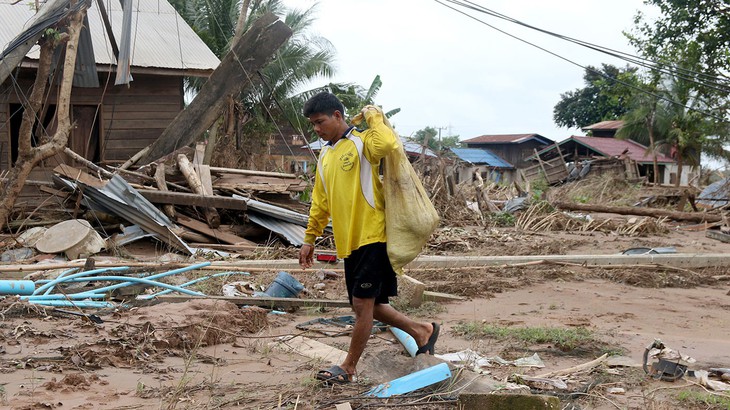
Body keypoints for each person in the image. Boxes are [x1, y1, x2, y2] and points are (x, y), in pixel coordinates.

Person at [298, 92, 439, 385]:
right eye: (312, 125)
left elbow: (388, 142)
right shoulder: (325, 154)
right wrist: (309, 237)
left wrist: (373, 114)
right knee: (368, 305)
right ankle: (422, 330)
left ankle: (348, 367)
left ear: (338, 115)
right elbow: (320, 201)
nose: (317, 129)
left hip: (373, 236)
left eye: (320, 122)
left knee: (362, 304)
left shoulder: (362, 143)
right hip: (349, 242)